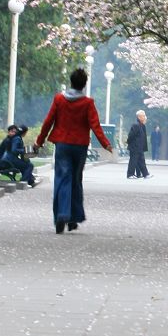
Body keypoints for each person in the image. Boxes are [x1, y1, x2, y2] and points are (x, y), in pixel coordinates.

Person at [34, 68, 113, 233]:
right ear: (84, 85)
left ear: (71, 82)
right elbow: (95, 125)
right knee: (76, 180)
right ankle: (73, 218)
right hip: (80, 146)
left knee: (63, 179)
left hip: (62, 144)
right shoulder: (88, 103)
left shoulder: (59, 99)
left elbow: (48, 121)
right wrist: (105, 143)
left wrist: (39, 141)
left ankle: (62, 214)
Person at [126, 110, 152, 179]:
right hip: (135, 147)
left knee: (141, 161)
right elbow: (131, 136)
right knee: (133, 161)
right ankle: (130, 174)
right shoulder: (136, 125)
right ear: (139, 117)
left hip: (140, 147)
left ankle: (145, 174)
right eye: (143, 116)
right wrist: (130, 143)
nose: (144, 117)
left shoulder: (142, 125)